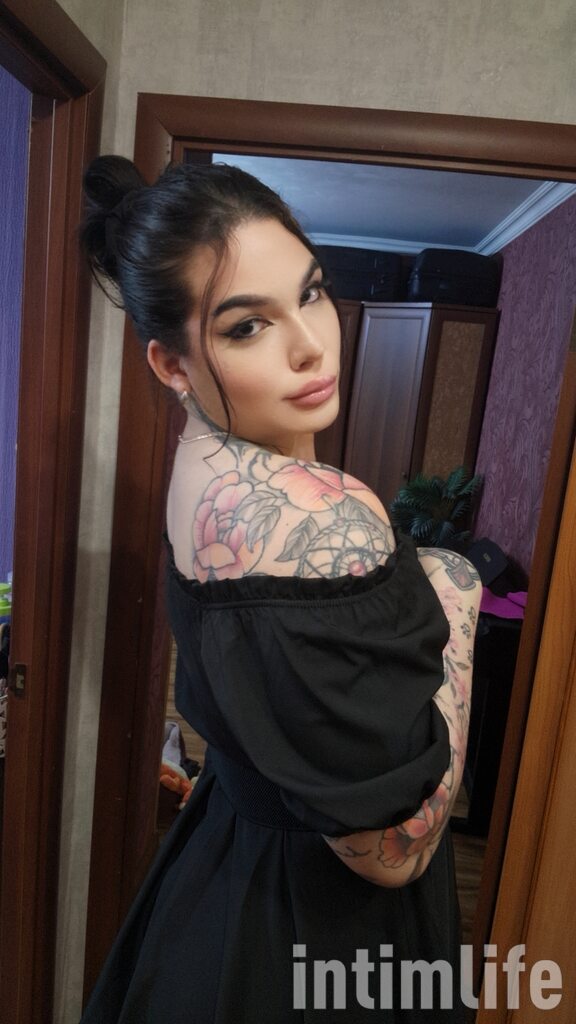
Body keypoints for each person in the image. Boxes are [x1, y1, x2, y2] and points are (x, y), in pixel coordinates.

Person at [79, 156, 481, 1022]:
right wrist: (456, 597)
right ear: (172, 364)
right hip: (312, 931)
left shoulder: (199, 465)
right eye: (247, 326)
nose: (311, 344)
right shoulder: (322, 516)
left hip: (226, 863)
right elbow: (392, 852)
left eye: (311, 292)